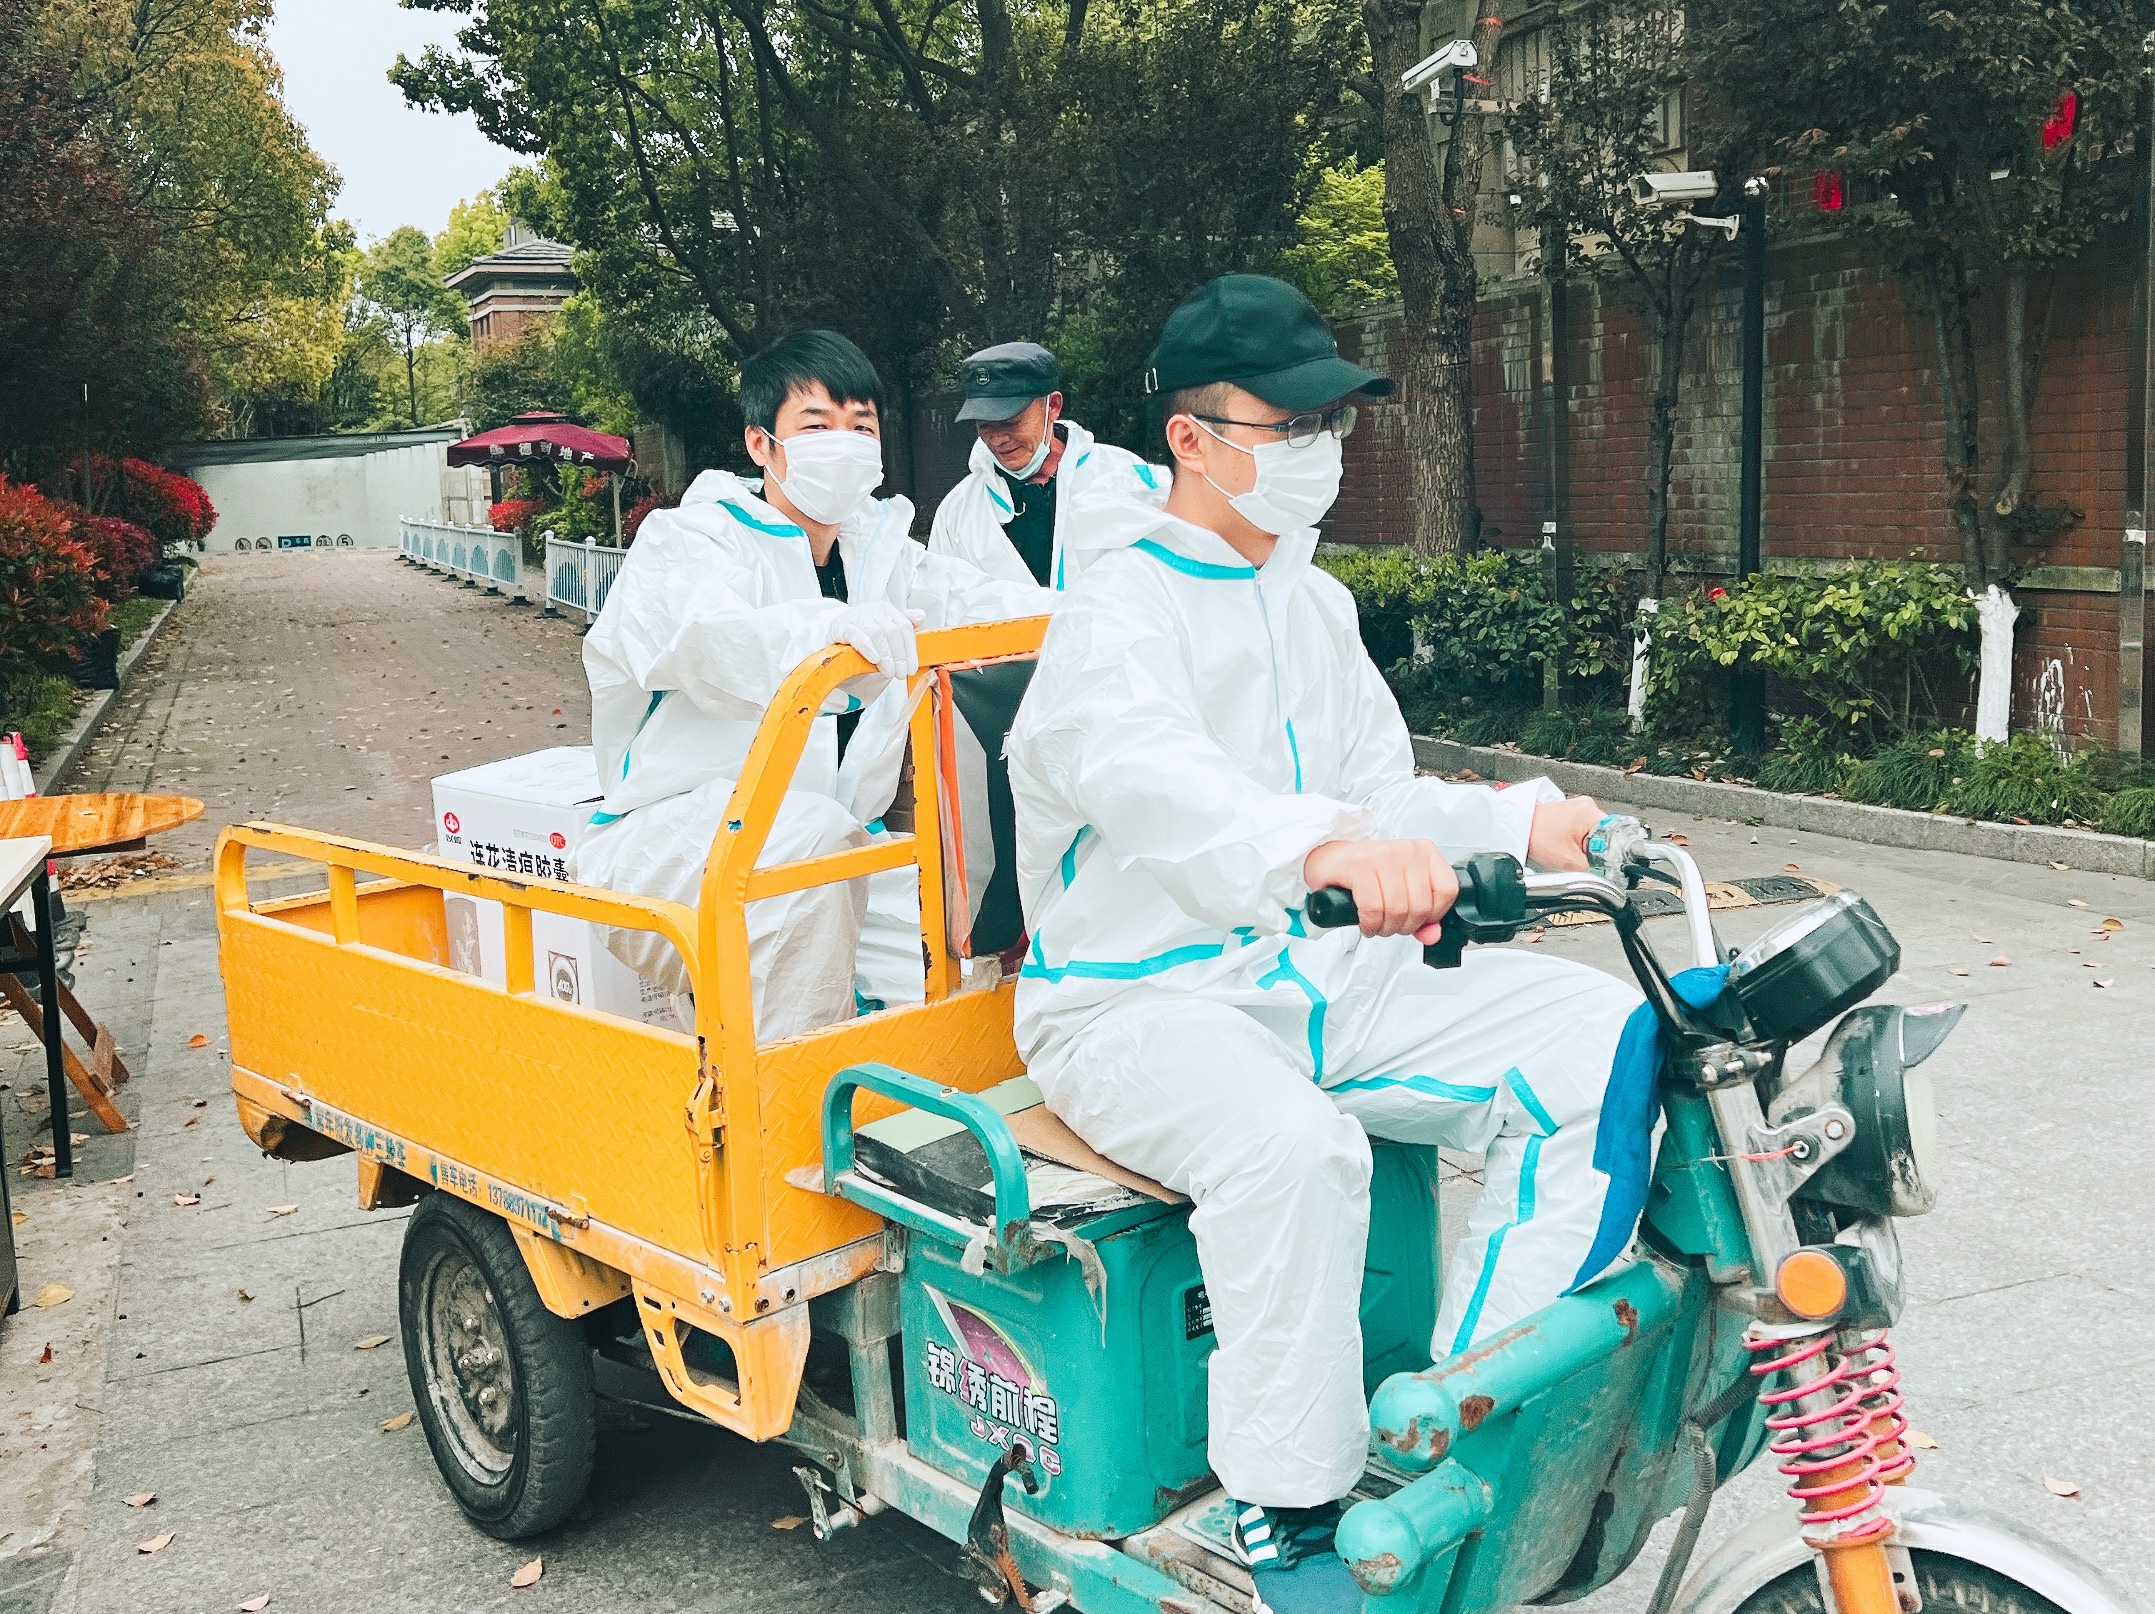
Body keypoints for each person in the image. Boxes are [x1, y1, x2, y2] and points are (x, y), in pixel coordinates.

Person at [1005, 275, 1645, 1613]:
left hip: (1305, 969)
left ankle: (1459, 1422)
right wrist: (1317, 853)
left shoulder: (1311, 605)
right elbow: (1161, 786)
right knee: (1293, 1149)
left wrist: (1523, 821)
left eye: (1327, 423)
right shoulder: (1115, 615)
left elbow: (1379, 795)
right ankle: (1286, 1509)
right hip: (1132, 1004)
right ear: (1189, 438)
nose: (1318, 449)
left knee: (1612, 1045)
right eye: (1286, 424)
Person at [572, 329, 1053, 1038]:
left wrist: (1113, 614)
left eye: (861, 426)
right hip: (669, 846)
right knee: (809, 854)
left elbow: (990, 604)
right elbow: (707, 641)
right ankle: (781, 1102)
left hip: (840, 850)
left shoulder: (882, 553)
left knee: (961, 982)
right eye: (817, 425)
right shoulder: (690, 541)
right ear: (761, 444)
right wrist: (829, 629)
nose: (844, 443)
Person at [927, 340, 1165, 589]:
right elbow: (940, 596)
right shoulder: (959, 510)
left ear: (1053, 406)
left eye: (1011, 421)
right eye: (984, 425)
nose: (997, 439)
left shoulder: (1121, 475)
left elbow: (1161, 577)